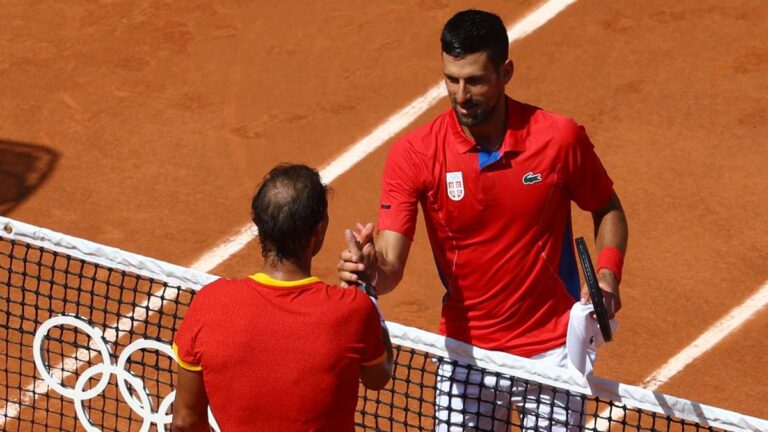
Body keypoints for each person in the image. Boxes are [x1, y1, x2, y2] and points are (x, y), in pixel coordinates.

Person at [338, 9, 628, 432]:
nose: (461, 94)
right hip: (464, 356)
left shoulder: (558, 139)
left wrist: (607, 275)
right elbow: (389, 266)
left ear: (505, 72)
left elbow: (608, 209)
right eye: (451, 79)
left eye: (474, 80)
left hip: (551, 352)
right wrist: (368, 271)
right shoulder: (415, 154)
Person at [172, 164, 393, 432]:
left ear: (256, 222)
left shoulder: (209, 304)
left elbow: (185, 422)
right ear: (318, 231)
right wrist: (366, 288)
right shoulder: (352, 311)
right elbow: (379, 375)